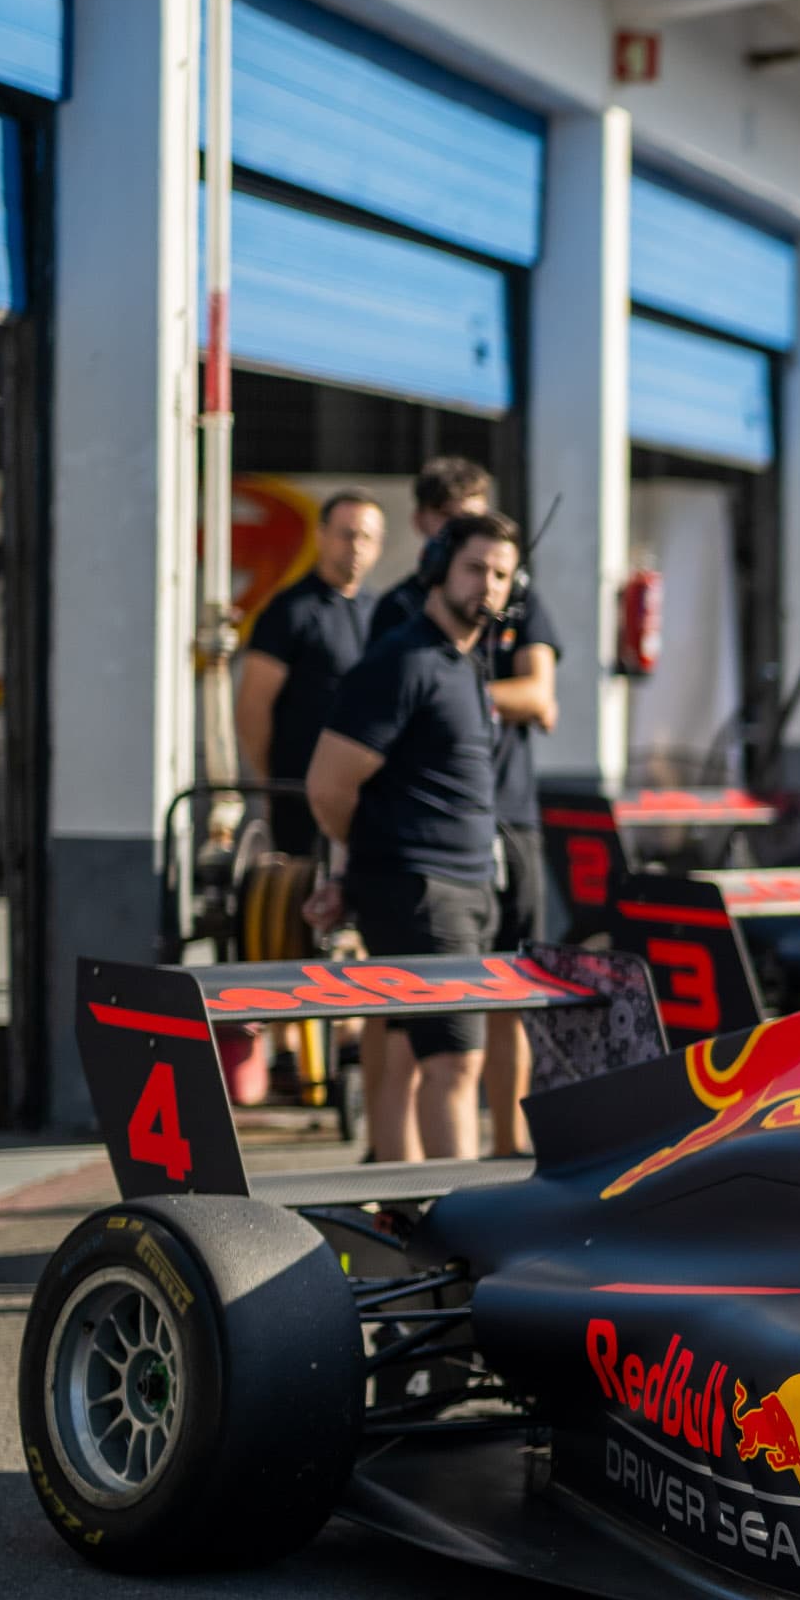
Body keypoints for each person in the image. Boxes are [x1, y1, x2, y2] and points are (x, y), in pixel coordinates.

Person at [311, 511, 518, 1165]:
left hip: (465, 886)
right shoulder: (402, 660)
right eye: (474, 568)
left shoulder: (465, 663)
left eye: (502, 574)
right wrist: (373, 862)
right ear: (437, 569)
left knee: (406, 1052)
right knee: (456, 1065)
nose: (488, 584)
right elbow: (328, 785)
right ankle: (461, 1219)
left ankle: (398, 1206)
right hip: (426, 892)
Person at [372, 457, 558, 1153]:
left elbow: (541, 697)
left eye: (497, 560)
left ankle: (512, 1151)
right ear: (427, 529)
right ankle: (394, 1171)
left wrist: (453, 697)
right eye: (460, 529)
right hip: (428, 845)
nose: (486, 571)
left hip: (512, 818)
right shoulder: (399, 611)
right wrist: (448, 698)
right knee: (407, 1021)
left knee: (514, 994)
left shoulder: (520, 598)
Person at [237, 491, 383, 812]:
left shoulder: (382, 612)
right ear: (321, 536)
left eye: (367, 537)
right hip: (299, 791)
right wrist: (271, 782)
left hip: (364, 794)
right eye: (347, 535)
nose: (356, 546)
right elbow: (252, 707)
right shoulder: (290, 610)